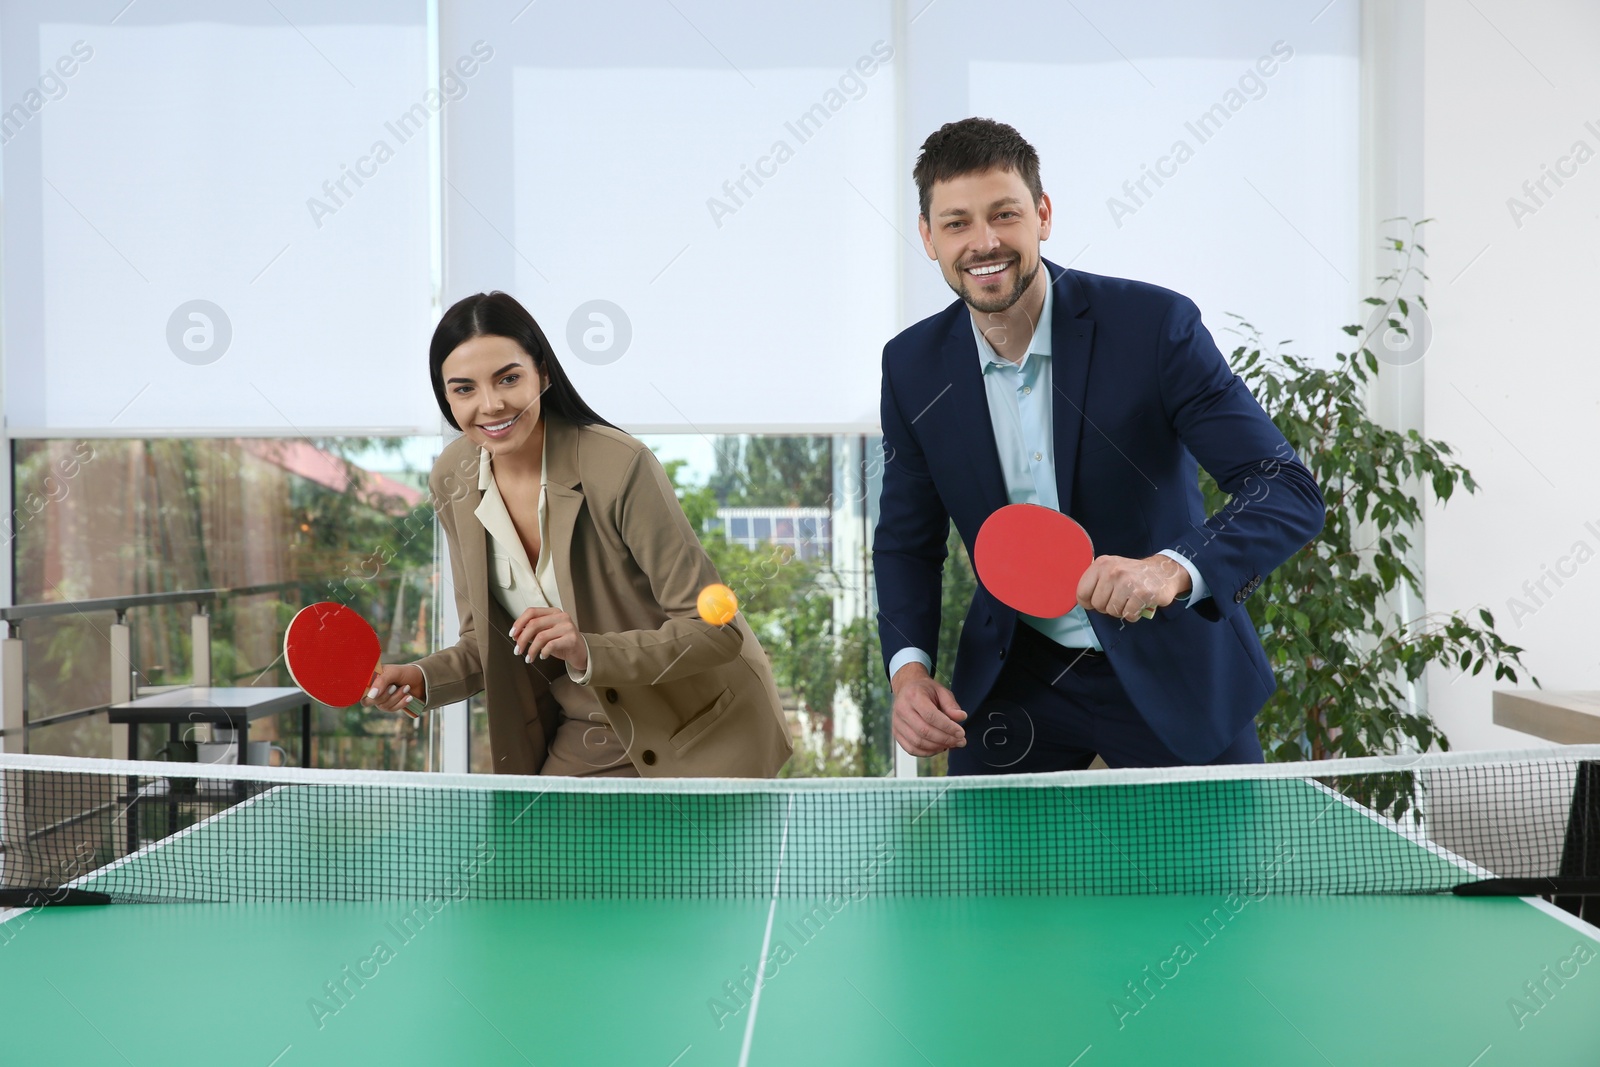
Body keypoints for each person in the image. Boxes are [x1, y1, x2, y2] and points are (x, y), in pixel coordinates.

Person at [874, 118, 1326, 772]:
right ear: (927, 237)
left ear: (1043, 215)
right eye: (956, 223)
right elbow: (906, 541)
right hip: (1017, 679)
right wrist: (909, 672)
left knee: (1215, 876)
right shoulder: (912, 366)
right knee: (993, 877)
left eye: (1004, 213)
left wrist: (1172, 567)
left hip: (1174, 665)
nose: (984, 241)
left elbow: (1285, 487)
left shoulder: (1154, 328)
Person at [365, 292, 792, 777]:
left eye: (509, 378)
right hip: (588, 731)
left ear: (542, 374)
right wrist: (422, 679)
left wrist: (586, 649)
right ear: (446, 397)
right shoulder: (453, 478)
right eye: (464, 389)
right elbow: (487, 642)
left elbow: (717, 632)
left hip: (698, 728)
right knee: (540, 852)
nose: (491, 404)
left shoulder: (619, 465)